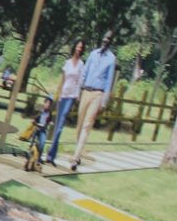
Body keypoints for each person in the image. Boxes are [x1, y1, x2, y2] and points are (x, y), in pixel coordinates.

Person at [69, 32, 119, 171]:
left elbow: (109, 82)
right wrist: (79, 90)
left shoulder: (111, 59)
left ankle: (75, 157)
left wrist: (104, 101)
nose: (105, 40)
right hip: (86, 91)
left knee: (87, 125)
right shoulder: (93, 54)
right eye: (104, 38)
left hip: (98, 93)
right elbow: (84, 72)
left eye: (108, 39)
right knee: (79, 124)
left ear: (110, 42)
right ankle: (78, 154)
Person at [40, 41, 87, 163]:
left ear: (82, 50)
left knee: (60, 126)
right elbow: (63, 79)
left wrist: (77, 96)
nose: (78, 49)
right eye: (77, 46)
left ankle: (51, 154)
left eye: (81, 47)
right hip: (63, 95)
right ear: (74, 47)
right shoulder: (67, 63)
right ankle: (51, 155)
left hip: (71, 96)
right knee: (56, 126)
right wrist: (59, 93)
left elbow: (80, 82)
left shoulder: (82, 65)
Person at [20, 95, 53, 172]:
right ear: (44, 103)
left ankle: (38, 159)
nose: (47, 105)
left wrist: (50, 122)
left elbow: (49, 121)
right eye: (47, 103)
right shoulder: (40, 111)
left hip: (43, 130)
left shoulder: (49, 113)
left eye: (49, 104)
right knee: (32, 144)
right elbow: (35, 117)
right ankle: (29, 158)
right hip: (36, 128)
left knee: (42, 143)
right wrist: (34, 121)